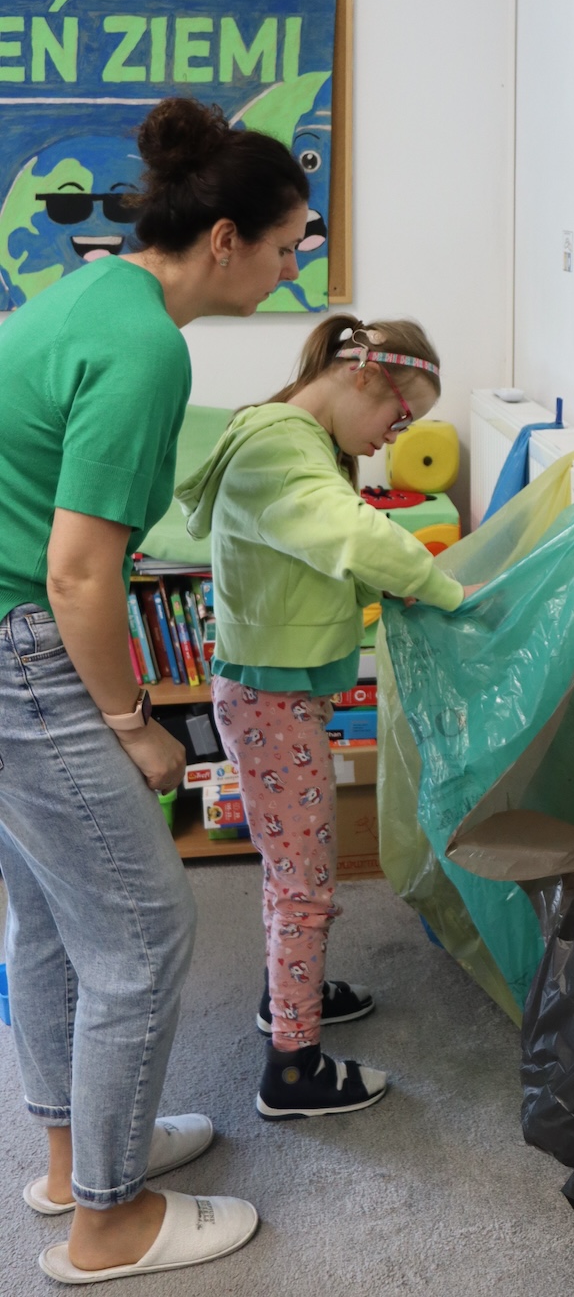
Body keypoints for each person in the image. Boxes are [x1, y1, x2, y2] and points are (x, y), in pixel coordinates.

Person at [0, 97, 312, 1284]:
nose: (290, 273)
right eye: (283, 248)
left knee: (52, 916)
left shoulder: (91, 295)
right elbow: (79, 573)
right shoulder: (145, 349)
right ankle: (110, 1223)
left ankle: (75, 1160)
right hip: (26, 648)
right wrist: (135, 727)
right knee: (141, 934)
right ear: (224, 239)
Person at [177, 317, 466, 1120]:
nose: (391, 439)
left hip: (274, 688)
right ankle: (292, 1068)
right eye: (399, 417)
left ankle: (287, 997)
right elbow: (346, 531)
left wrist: (396, 585)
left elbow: (309, 556)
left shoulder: (287, 437)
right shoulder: (281, 447)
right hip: (270, 698)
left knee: (293, 868)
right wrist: (443, 589)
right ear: (366, 375)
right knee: (305, 882)